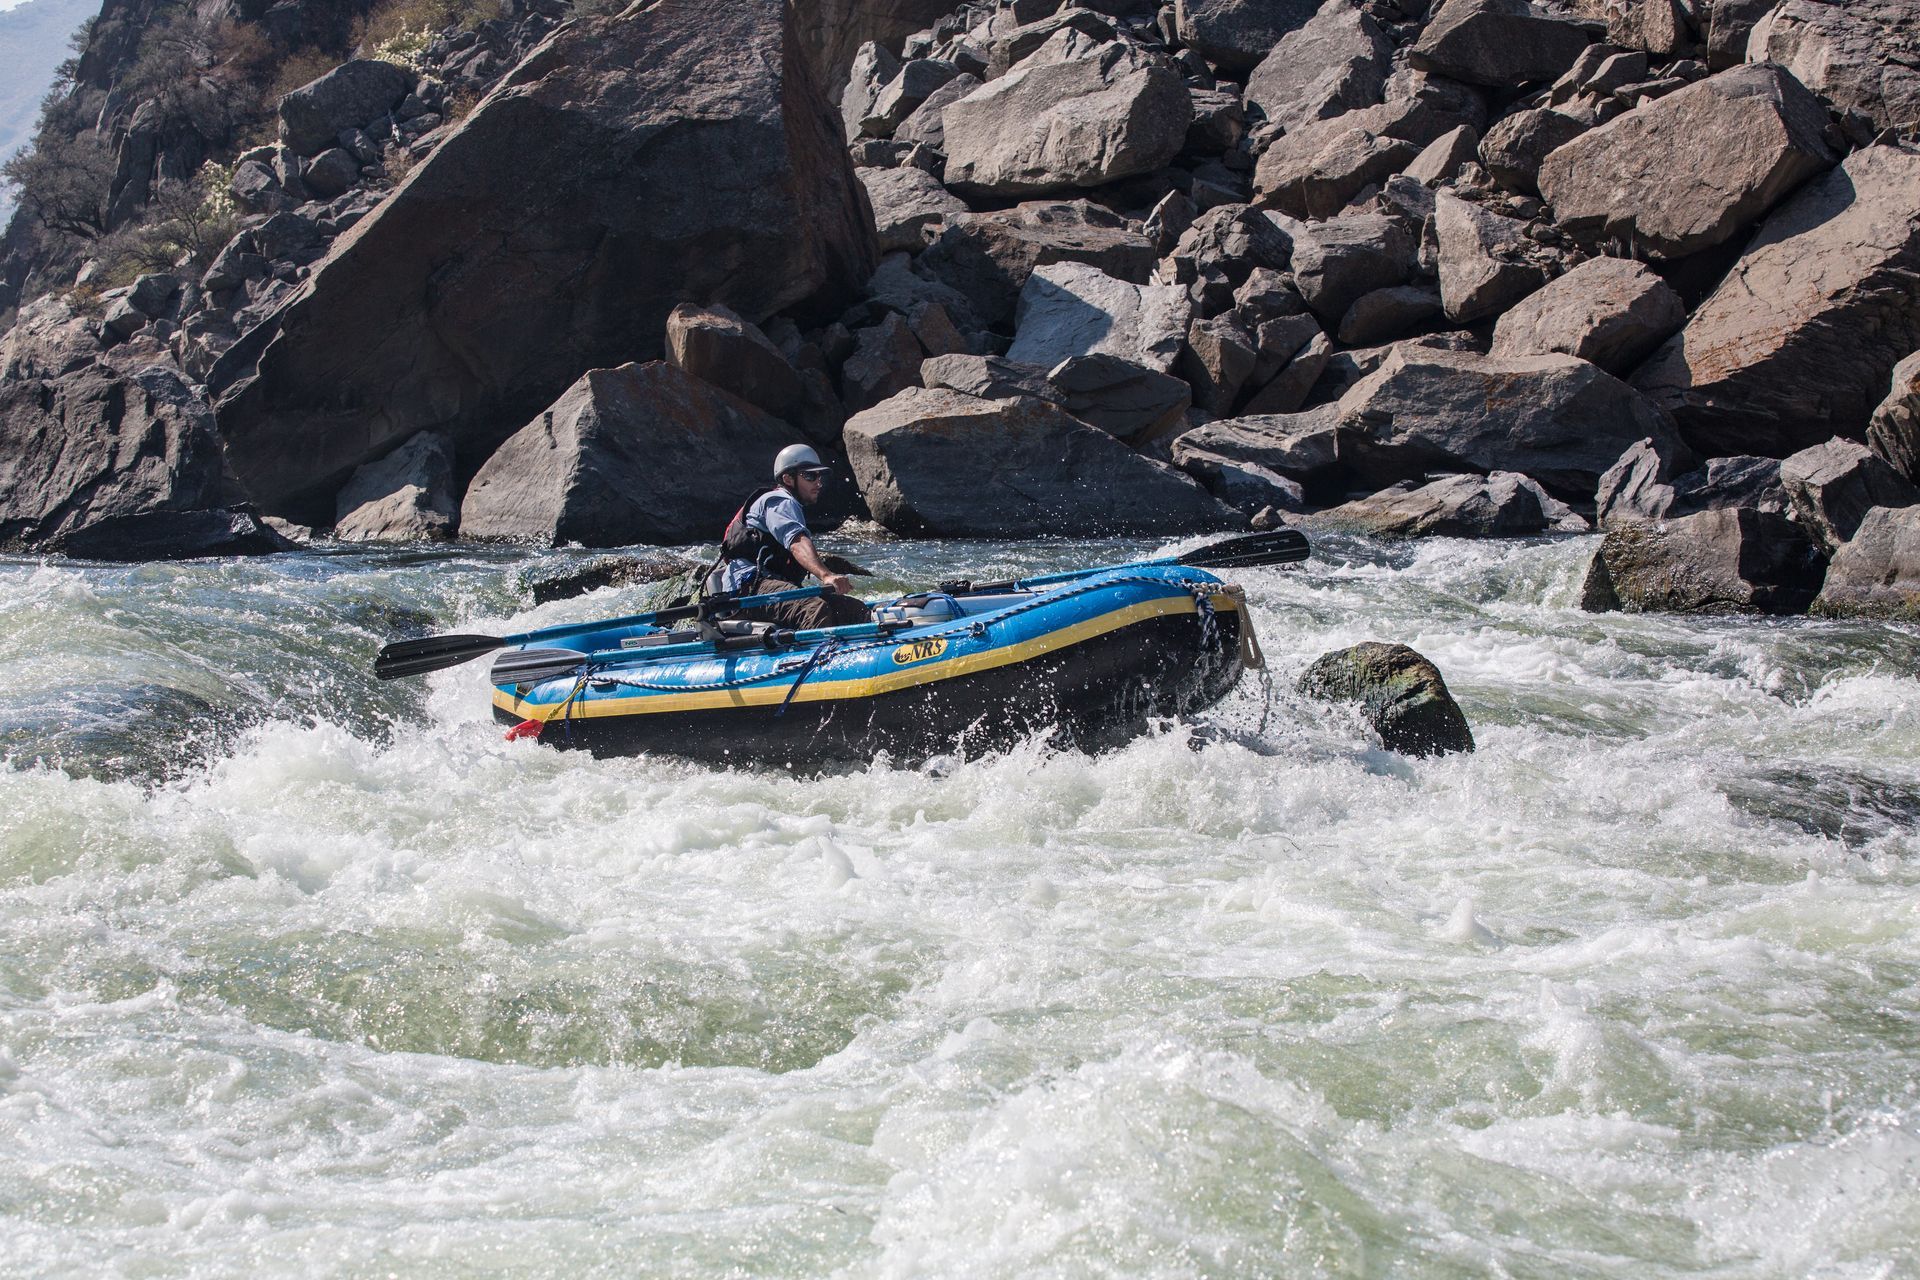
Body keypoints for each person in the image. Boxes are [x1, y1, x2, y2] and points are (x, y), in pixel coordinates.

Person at [709, 444, 872, 630]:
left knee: (853, 610)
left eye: (819, 476)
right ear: (788, 478)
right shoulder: (780, 501)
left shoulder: (790, 504)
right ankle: (818, 657)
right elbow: (796, 542)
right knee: (813, 609)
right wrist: (826, 575)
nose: (818, 482)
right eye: (810, 476)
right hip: (748, 590)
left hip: (769, 586)